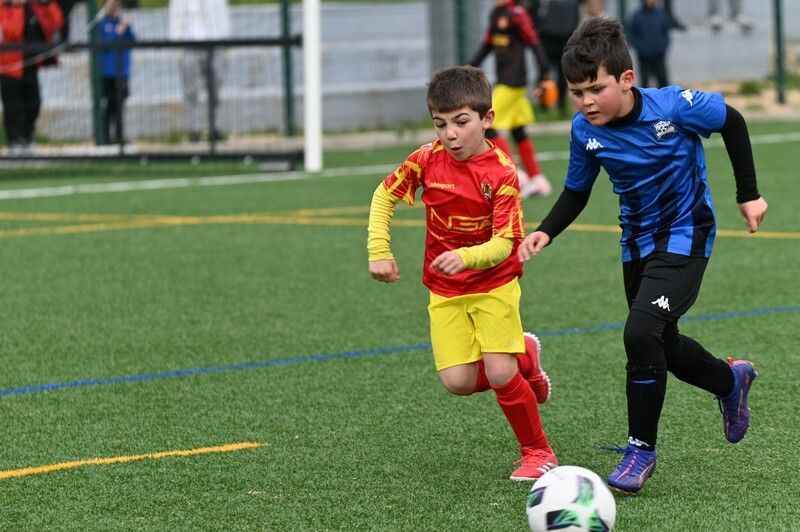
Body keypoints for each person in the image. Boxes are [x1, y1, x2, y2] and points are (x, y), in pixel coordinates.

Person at [517, 17, 767, 494]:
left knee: (639, 332)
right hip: (636, 244)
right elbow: (576, 191)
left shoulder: (673, 107)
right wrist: (546, 231)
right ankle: (730, 382)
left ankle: (640, 450)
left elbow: (732, 121)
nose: (587, 102)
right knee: (662, 345)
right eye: (577, 92)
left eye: (596, 89)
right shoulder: (583, 130)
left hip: (687, 235)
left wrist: (748, 194)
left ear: (626, 79)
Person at [368, 65, 557, 481]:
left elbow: (504, 243)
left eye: (461, 122)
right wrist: (379, 251)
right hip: (445, 288)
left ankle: (538, 452)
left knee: (501, 372)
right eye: (440, 124)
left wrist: (466, 257)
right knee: (457, 382)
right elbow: (384, 196)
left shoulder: (502, 172)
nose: (450, 134)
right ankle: (526, 355)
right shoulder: (426, 159)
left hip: (494, 283)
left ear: (487, 119)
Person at [467, 0, 553, 199]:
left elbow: (534, 42)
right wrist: (470, 66)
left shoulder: (517, 14)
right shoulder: (496, 14)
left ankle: (515, 176)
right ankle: (538, 180)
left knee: (485, 123)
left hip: (512, 83)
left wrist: (545, 73)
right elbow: (487, 44)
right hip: (507, 82)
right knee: (518, 130)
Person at [0, 0, 64, 155]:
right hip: (10, 67)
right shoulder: (4, 9)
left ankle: (27, 136)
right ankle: (14, 140)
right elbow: (12, 31)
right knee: (13, 106)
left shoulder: (34, 8)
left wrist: (47, 4)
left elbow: (56, 22)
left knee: (34, 102)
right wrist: (17, 8)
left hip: (30, 66)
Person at [168, 0, 230, 143]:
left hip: (215, 45)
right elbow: (175, 20)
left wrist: (226, 44)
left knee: (215, 90)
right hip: (189, 46)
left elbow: (224, 16)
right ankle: (193, 130)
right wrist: (177, 49)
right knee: (191, 91)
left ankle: (214, 128)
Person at [528, 0, 582, 118]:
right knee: (544, 73)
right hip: (546, 37)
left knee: (564, 74)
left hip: (566, 38)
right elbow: (534, 11)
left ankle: (561, 106)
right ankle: (543, 106)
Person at [99, 0, 135, 145]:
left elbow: (132, 40)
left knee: (120, 106)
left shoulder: (123, 23)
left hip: (122, 72)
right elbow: (104, 44)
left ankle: (119, 137)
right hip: (108, 73)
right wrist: (117, 30)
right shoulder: (103, 24)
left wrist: (127, 26)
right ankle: (105, 137)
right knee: (109, 106)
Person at [629, 0, 672, 88]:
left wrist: (662, 47)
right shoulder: (637, 16)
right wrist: (641, 48)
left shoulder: (661, 14)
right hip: (644, 58)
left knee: (663, 83)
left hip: (659, 56)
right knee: (644, 83)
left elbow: (666, 33)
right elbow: (633, 35)